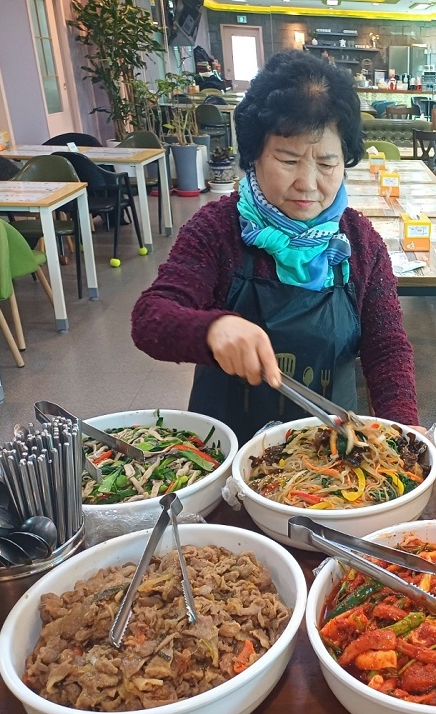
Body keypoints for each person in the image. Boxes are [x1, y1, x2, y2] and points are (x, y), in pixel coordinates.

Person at [132, 50, 419, 444]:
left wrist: (404, 429)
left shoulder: (359, 240)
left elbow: (385, 346)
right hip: (229, 452)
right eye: (288, 160)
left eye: (327, 164)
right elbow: (150, 317)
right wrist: (212, 328)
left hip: (335, 452)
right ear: (255, 156)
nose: (307, 183)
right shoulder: (218, 228)